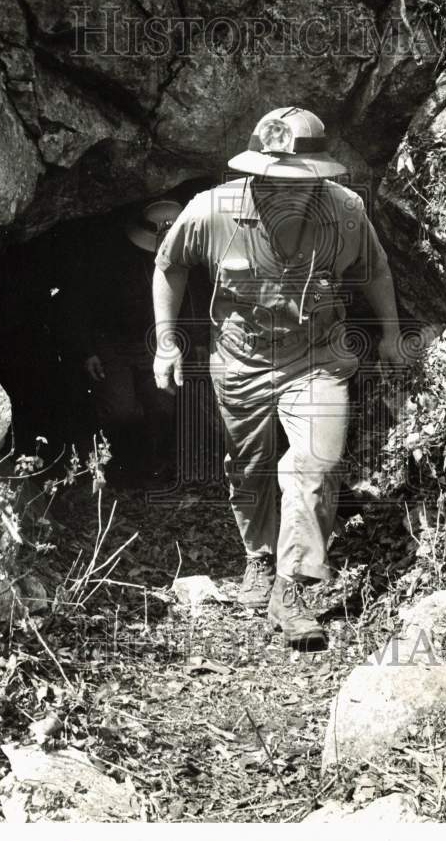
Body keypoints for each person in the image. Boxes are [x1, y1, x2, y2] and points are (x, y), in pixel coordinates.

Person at [152, 108, 405, 644]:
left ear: (320, 178)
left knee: (315, 462)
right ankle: (258, 557)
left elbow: (376, 269)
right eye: (266, 180)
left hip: (317, 356)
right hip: (240, 358)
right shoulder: (212, 210)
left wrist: (390, 331)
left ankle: (291, 589)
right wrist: (167, 340)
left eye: (292, 181)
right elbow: (168, 265)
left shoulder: (347, 212)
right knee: (249, 465)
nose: (277, 190)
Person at [72, 199, 206, 485]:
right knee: (121, 410)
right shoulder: (112, 260)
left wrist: (193, 343)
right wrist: (89, 351)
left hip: (155, 343)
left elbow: (193, 303)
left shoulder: (186, 261)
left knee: (162, 406)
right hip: (112, 344)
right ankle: (106, 462)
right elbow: (81, 303)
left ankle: (152, 466)